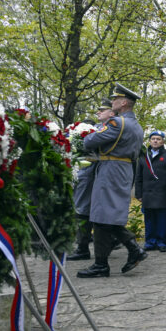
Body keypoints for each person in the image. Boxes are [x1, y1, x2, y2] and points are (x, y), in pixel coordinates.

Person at [77, 84, 147, 278]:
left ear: (124, 103)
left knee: (101, 215)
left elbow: (89, 142)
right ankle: (130, 251)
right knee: (105, 215)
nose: (113, 102)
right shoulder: (136, 125)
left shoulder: (117, 123)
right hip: (121, 169)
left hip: (111, 170)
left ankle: (105, 262)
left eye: (116, 99)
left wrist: (85, 136)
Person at [69, 99, 114, 261]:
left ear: (112, 112)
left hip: (97, 175)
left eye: (102, 110)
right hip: (86, 173)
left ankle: (108, 243)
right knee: (82, 210)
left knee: (87, 210)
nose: (98, 112)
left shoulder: (112, 128)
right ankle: (83, 246)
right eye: (98, 110)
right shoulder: (95, 129)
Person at [135, 130, 166, 252]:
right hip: (147, 194)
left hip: (164, 194)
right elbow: (138, 177)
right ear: (149, 141)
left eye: (158, 139)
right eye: (153, 138)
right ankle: (150, 242)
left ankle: (162, 242)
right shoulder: (144, 156)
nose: (155, 141)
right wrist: (138, 194)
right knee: (149, 220)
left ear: (163, 141)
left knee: (163, 220)